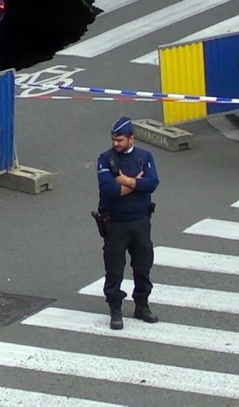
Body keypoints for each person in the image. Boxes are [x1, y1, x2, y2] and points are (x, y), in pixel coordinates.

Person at [97, 117, 159, 330]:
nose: (115, 143)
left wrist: (126, 181)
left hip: (140, 221)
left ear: (131, 138)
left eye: (120, 140)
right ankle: (115, 308)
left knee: (143, 266)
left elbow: (152, 183)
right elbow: (109, 190)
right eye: (113, 139)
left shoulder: (144, 157)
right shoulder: (106, 159)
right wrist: (137, 183)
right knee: (114, 268)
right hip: (115, 224)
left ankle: (142, 305)